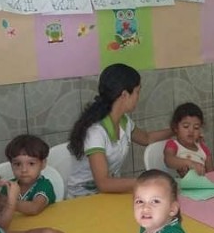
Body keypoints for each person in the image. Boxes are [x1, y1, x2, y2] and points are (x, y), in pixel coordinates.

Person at [67, 63, 173, 197]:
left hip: (108, 194)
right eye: (137, 92)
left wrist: (175, 130)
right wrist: (145, 182)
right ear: (124, 95)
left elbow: (146, 138)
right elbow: (104, 183)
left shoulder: (124, 121)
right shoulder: (96, 131)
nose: (138, 97)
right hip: (83, 199)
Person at [0, 134, 55, 215]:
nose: (24, 170)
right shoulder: (8, 186)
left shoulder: (45, 185)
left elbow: (34, 208)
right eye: (18, 164)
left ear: (43, 164)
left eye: (31, 163)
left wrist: (1, 199)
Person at [163, 102, 214, 177]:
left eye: (196, 127)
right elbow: (168, 160)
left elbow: (212, 174)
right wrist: (190, 163)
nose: (191, 131)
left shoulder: (203, 149)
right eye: (186, 126)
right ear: (176, 128)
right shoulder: (173, 145)